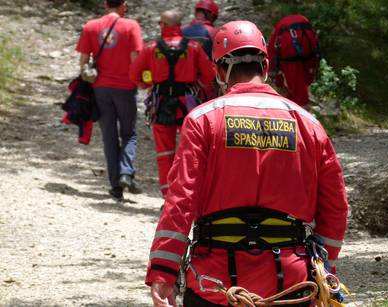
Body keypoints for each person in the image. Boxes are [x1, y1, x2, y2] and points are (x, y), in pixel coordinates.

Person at [145, 20, 348, 307]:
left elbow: (181, 200)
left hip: (215, 283)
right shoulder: (308, 124)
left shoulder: (203, 120)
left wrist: (163, 270)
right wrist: (323, 264)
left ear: (218, 70)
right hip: (292, 281)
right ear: (265, 67)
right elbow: (335, 206)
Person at [129, 10, 215, 197]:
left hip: (160, 103)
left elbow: (134, 75)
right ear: (179, 26)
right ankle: (188, 193)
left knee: (164, 152)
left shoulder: (151, 48)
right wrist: (196, 82)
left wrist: (149, 83)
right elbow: (209, 75)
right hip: (188, 104)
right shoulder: (194, 47)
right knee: (190, 149)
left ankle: (168, 196)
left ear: (164, 25)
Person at [75, 0, 143, 200]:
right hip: (125, 88)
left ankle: (116, 186)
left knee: (109, 136)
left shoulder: (90, 26)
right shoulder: (131, 26)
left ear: (105, 4)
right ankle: (125, 173)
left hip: (100, 89)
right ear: (123, 5)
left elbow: (83, 62)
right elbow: (135, 60)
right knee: (129, 134)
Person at [267, 14, 321, 107]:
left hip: (290, 49)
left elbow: (271, 56)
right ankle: (302, 106)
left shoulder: (280, 28)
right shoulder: (303, 21)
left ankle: (297, 109)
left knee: (295, 89)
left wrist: (278, 83)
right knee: (300, 84)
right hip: (307, 46)